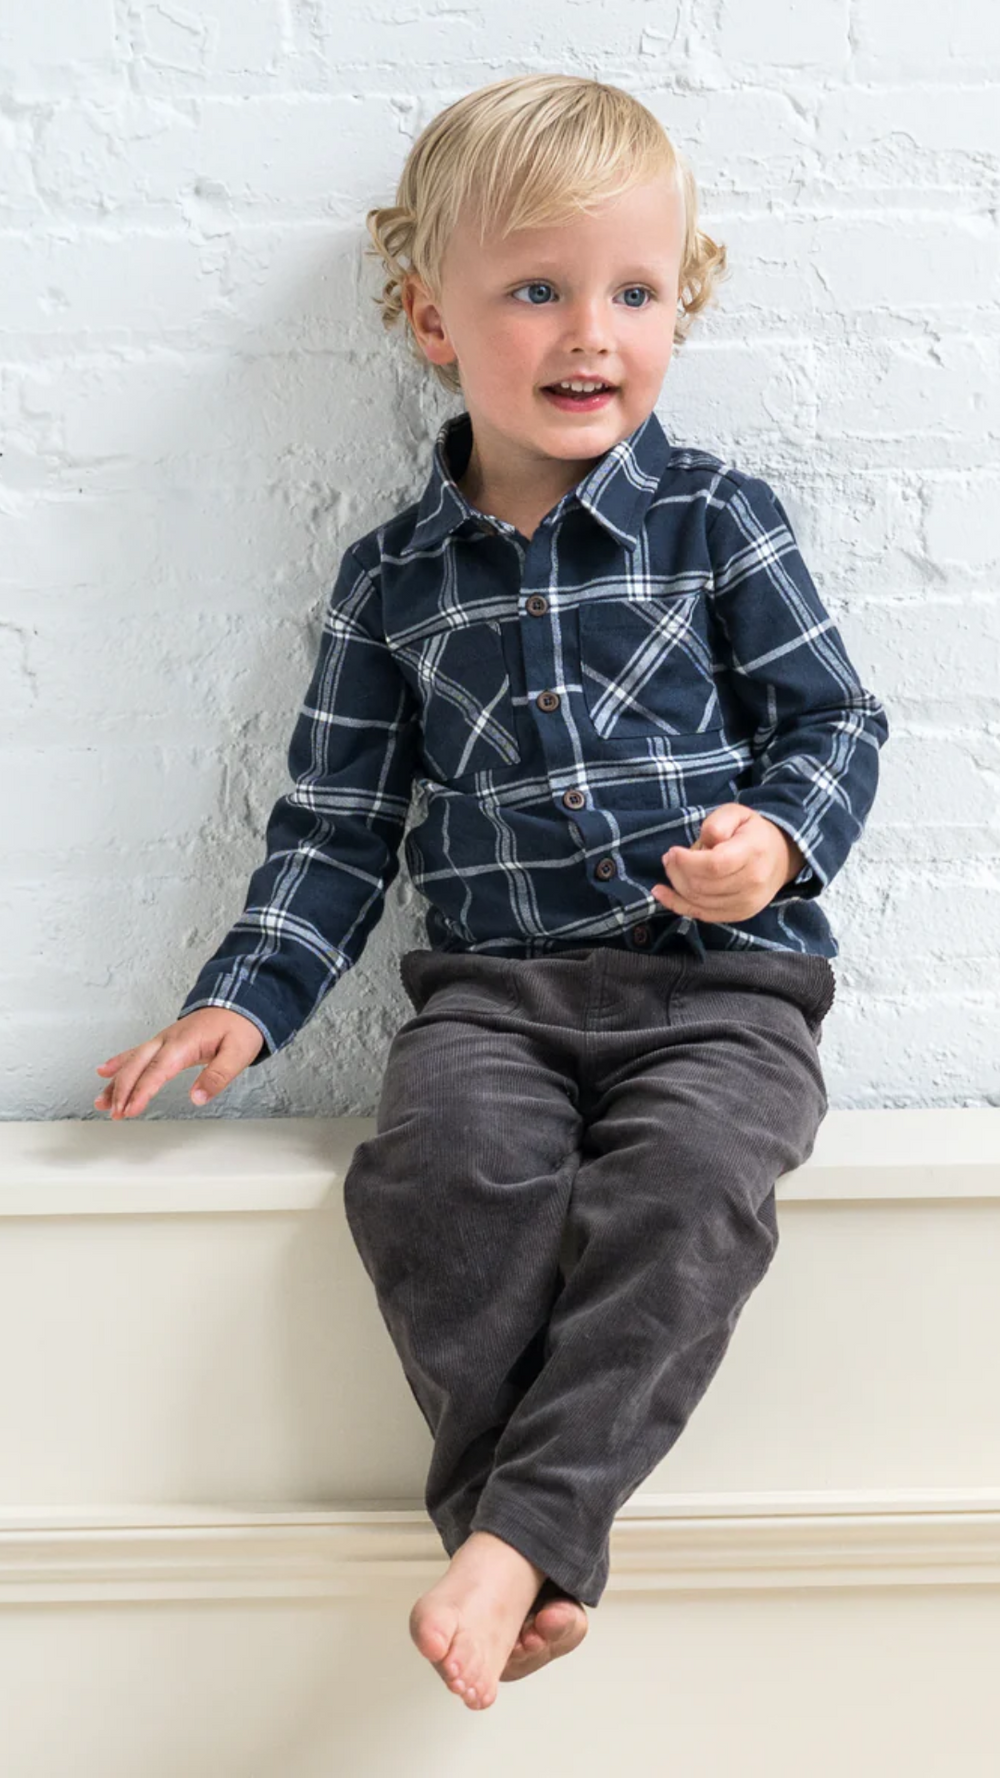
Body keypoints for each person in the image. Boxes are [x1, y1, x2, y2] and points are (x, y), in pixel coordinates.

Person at [94, 73, 890, 1712]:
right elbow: (333, 827)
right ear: (430, 318)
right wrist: (243, 998)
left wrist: (776, 846)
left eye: (634, 291)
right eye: (535, 289)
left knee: (686, 1194)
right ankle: (528, 1543)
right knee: (434, 1174)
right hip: (497, 1005)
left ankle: (508, 1539)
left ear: (684, 301)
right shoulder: (393, 579)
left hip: (718, 996)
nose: (590, 332)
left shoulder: (716, 522)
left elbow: (835, 721)